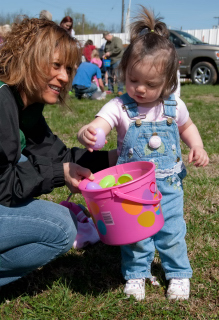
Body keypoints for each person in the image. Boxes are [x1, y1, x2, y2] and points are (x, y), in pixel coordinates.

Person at [77, 7, 209, 301]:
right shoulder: (119, 107)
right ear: (125, 72)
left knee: (172, 231)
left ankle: (177, 273)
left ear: (168, 82)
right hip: (130, 191)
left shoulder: (174, 106)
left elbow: (188, 127)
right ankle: (137, 273)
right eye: (134, 80)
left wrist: (197, 146)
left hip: (169, 186)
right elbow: (101, 123)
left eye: (151, 85)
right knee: (135, 235)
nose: (140, 89)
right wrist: (89, 130)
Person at [0, 17, 116, 287]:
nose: (65, 77)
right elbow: (4, 185)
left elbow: (58, 156)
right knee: (62, 227)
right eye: (56, 66)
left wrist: (114, 159)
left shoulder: (23, 102)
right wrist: (58, 174)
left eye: (69, 68)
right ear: (30, 58)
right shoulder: (2, 102)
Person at [102, 31, 124, 95]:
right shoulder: (107, 43)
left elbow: (119, 48)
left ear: (108, 35)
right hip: (108, 61)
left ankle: (120, 90)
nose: (105, 39)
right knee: (109, 75)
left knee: (118, 75)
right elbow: (105, 50)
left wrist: (110, 53)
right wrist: (104, 54)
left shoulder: (117, 40)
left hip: (117, 59)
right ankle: (110, 90)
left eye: (105, 37)